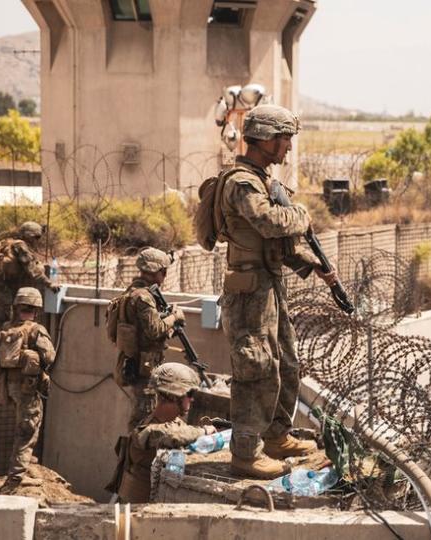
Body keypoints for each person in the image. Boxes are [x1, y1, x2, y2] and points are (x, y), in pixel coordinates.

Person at [218, 104, 337, 479]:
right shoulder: (242, 182)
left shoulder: (262, 178)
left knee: (285, 363)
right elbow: (270, 223)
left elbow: (277, 244)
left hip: (269, 285)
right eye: (284, 139)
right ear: (266, 138)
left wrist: (310, 263)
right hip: (249, 290)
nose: (288, 147)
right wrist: (302, 215)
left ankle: (275, 436)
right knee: (256, 367)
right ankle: (246, 453)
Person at [0, 288, 55, 494]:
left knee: (24, 424)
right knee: (27, 429)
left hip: (10, 387)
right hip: (28, 389)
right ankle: (15, 478)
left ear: (16, 307)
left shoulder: (6, 328)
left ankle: (27, 463)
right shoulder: (35, 329)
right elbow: (49, 357)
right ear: (36, 309)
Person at [111, 363, 215, 503]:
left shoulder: (176, 423)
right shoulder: (148, 431)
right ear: (173, 396)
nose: (192, 399)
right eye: (189, 394)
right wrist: (204, 431)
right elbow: (169, 435)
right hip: (135, 514)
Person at [110, 248, 187, 431]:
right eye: (164, 271)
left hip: (139, 363)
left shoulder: (131, 292)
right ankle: (135, 458)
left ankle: (132, 456)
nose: (165, 275)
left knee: (140, 419)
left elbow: (145, 331)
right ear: (159, 272)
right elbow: (155, 330)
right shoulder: (143, 297)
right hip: (145, 369)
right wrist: (174, 316)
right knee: (144, 420)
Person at [0, 221, 60, 348]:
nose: (38, 241)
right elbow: (32, 270)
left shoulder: (9, 244)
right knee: (4, 324)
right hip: (3, 293)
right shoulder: (21, 247)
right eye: (37, 237)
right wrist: (49, 283)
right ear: (30, 236)